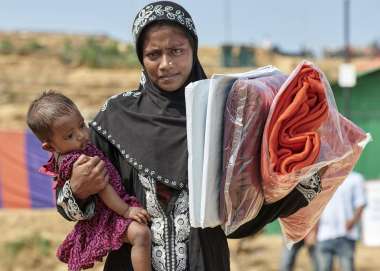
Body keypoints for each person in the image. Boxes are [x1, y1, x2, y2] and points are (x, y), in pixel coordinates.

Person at [54, 1, 322, 270]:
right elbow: (69, 207)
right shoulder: (115, 117)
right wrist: (77, 189)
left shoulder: (226, 114)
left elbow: (251, 195)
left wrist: (304, 172)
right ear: (140, 56)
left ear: (193, 50)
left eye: (176, 51)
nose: (165, 64)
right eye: (153, 54)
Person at [26, 91, 152, 271]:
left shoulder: (81, 148)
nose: (81, 135)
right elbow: (102, 186)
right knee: (140, 234)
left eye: (82, 125)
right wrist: (126, 210)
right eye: (69, 135)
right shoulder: (78, 160)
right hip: (109, 213)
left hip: (116, 207)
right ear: (50, 146)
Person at [316, 171, 367, 271]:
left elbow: (360, 203)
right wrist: (313, 230)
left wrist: (353, 221)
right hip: (324, 233)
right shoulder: (322, 177)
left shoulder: (355, 178)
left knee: (347, 267)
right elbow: (315, 205)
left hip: (346, 234)